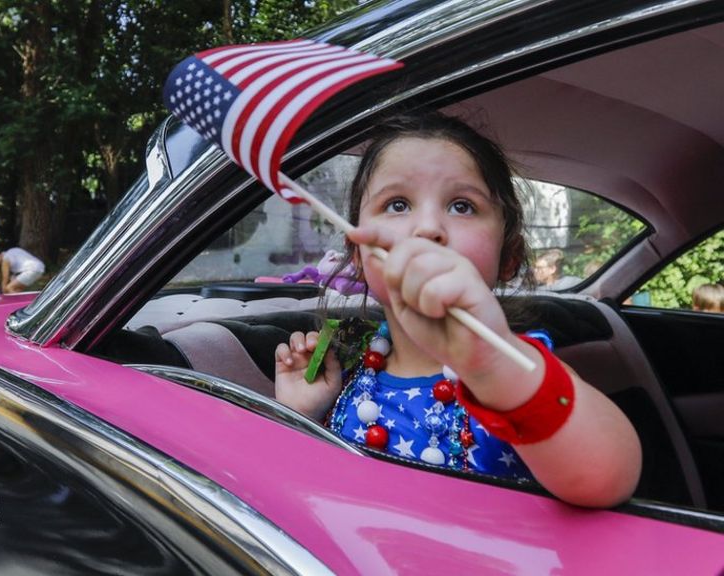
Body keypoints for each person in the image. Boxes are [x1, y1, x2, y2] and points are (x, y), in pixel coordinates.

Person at [274, 112, 640, 508]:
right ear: (358, 256)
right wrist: (302, 415)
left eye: (462, 206)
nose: (428, 228)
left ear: (509, 257)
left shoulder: (521, 372)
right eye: (398, 204)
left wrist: (493, 365)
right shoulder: (350, 378)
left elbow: (609, 479)